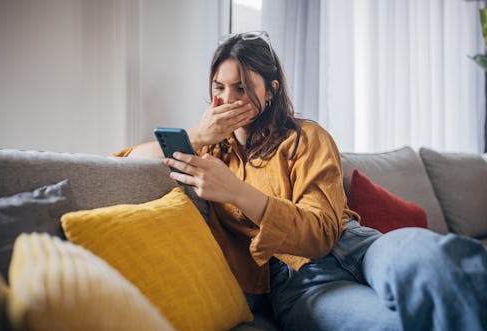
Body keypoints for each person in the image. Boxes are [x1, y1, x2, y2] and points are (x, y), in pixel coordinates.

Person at [116, 31, 487, 331]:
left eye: (242, 88)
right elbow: (127, 160)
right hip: (300, 284)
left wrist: (236, 191)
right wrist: (199, 134)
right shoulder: (212, 155)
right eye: (219, 87)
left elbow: (324, 231)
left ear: (272, 89)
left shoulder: (306, 137)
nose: (227, 99)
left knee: (437, 260)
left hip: (360, 246)